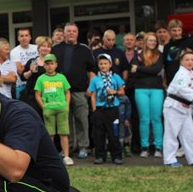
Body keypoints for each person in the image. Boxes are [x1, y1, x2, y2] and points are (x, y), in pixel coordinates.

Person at [51, 22, 96, 159]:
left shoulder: (84, 49)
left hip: (80, 91)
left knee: (82, 119)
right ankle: (68, 148)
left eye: (73, 31)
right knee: (65, 121)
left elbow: (92, 70)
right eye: (68, 31)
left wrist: (91, 87)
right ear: (64, 33)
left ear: (77, 33)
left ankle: (83, 146)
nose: (71, 33)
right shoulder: (56, 49)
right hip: (61, 92)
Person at [162, 49, 193, 167]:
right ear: (181, 61)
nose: (190, 62)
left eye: (192, 60)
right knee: (172, 134)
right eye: (187, 60)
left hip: (185, 108)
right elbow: (181, 89)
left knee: (190, 134)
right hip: (173, 107)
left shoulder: (192, 74)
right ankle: (169, 160)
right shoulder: (181, 73)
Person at [34, 54, 73, 166]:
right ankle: (50, 157)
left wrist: (67, 105)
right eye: (47, 64)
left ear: (56, 64)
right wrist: (43, 106)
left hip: (61, 108)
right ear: (44, 65)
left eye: (52, 63)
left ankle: (66, 156)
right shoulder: (41, 78)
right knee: (50, 134)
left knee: (63, 133)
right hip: (48, 108)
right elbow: (37, 94)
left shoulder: (61, 77)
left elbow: (67, 91)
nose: (50, 66)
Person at [130, 32, 164, 158]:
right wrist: (149, 71)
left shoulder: (159, 54)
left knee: (156, 118)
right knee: (144, 119)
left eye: (154, 41)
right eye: (150, 40)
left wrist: (139, 69)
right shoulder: (137, 54)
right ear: (145, 41)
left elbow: (157, 69)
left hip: (156, 89)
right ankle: (144, 146)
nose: (152, 43)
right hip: (141, 89)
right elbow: (132, 72)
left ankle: (158, 146)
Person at [88, 54, 125, 165]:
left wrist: (115, 92)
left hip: (112, 109)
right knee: (99, 134)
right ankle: (100, 156)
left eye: (105, 63)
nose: (103, 66)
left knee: (113, 133)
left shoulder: (116, 77)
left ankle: (116, 156)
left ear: (110, 64)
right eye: (101, 64)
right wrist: (94, 110)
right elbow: (92, 95)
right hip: (100, 109)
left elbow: (122, 92)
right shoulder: (95, 79)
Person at [19, 35, 53, 116]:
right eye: (43, 46)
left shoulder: (53, 63)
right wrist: (30, 71)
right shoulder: (32, 61)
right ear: (38, 48)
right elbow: (23, 77)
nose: (46, 48)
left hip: (50, 95)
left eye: (48, 46)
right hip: (33, 96)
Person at [163, 19, 193, 86]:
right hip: (171, 80)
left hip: (187, 80)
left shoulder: (189, 42)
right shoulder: (167, 47)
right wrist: (165, 80)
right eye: (174, 30)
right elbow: (165, 65)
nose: (177, 33)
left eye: (179, 30)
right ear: (169, 31)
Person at [11, 28, 38, 99]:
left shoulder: (37, 48)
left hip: (37, 84)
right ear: (18, 38)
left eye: (26, 35)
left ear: (30, 37)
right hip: (22, 85)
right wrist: (33, 67)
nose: (24, 38)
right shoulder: (14, 51)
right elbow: (20, 71)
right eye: (21, 36)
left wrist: (24, 66)